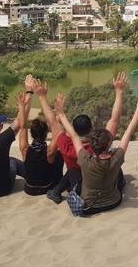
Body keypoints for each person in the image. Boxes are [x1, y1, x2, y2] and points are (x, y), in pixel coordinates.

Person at [54, 90, 138, 216]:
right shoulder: (117, 158)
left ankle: (55, 192)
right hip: (114, 202)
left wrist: (61, 114)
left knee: (73, 172)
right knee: (118, 173)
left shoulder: (85, 159)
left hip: (89, 206)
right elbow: (128, 133)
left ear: (92, 145)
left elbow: (74, 136)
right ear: (109, 144)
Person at [46, 72, 128, 203]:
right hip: (106, 187)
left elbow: (54, 124)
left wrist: (52, 106)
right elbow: (115, 119)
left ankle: (56, 192)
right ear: (92, 127)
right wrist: (119, 92)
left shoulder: (67, 145)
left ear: (75, 131)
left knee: (73, 170)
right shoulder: (102, 142)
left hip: (82, 189)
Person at [17, 76, 64, 195]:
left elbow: (22, 126)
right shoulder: (49, 151)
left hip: (29, 190)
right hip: (46, 188)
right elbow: (55, 125)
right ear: (46, 133)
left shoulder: (25, 150)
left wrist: (22, 107)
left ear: (31, 134)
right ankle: (58, 182)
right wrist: (43, 97)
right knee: (59, 155)